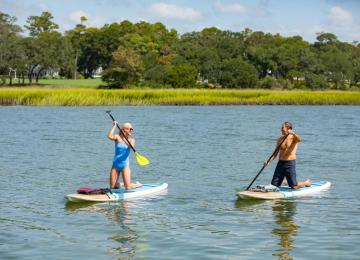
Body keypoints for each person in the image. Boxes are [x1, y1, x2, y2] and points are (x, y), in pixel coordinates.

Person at [265, 122, 311, 189]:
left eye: (282, 128)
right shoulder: (280, 140)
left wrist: (293, 133)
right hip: (280, 163)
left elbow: (299, 139)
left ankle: (306, 182)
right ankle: (285, 180)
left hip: (289, 163)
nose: (281, 129)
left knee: (294, 187)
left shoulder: (293, 138)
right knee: (274, 185)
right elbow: (275, 153)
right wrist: (268, 161)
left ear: (288, 128)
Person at [107, 121, 141, 190]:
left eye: (132, 129)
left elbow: (131, 147)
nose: (131, 130)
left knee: (128, 187)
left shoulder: (132, 140)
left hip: (125, 166)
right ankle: (121, 183)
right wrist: (114, 126)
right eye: (130, 129)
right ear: (124, 129)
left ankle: (136, 185)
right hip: (115, 165)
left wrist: (125, 138)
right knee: (113, 187)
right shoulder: (117, 137)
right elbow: (109, 136)